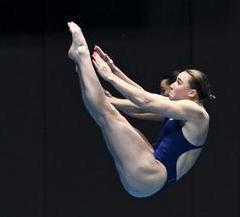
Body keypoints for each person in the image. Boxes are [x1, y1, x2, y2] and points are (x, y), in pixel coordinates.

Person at [67, 22, 214, 197]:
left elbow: (144, 101)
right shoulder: (182, 111)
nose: (172, 86)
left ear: (192, 93)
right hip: (149, 175)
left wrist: (110, 77)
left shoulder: (197, 113)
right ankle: (81, 61)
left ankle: (81, 53)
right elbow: (139, 106)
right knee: (105, 111)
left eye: (179, 83)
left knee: (105, 114)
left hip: (150, 175)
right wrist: (114, 70)